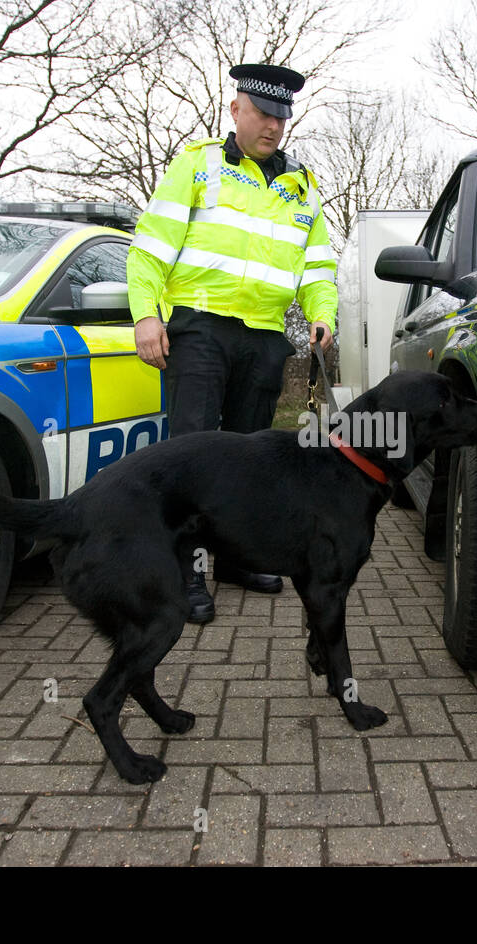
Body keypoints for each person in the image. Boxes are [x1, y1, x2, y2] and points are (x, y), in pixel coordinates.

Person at [127, 62, 336, 624]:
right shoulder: (199, 165)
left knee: (250, 459)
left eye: (282, 117)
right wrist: (147, 315)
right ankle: (186, 574)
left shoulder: (303, 187)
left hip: (265, 337)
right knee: (194, 456)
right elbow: (149, 248)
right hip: (199, 330)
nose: (273, 126)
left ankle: (238, 562)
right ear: (236, 110)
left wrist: (322, 315)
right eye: (263, 114)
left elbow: (318, 264)